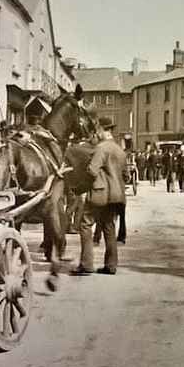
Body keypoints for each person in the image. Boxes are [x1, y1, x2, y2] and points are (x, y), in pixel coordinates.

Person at [72, 117, 127, 276]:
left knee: (85, 224)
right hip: (116, 195)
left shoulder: (101, 148)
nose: (96, 134)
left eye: (97, 131)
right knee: (109, 227)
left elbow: (92, 171)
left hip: (99, 193)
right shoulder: (119, 150)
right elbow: (126, 175)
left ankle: (86, 264)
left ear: (101, 130)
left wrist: (80, 188)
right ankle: (111, 265)